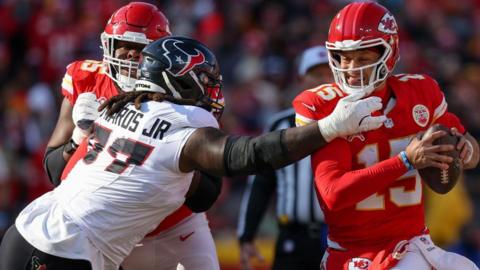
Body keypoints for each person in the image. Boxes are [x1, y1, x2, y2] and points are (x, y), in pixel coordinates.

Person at [0, 35, 389, 270]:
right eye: (205, 81)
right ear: (178, 80)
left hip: (32, 230)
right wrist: (328, 128)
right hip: (65, 250)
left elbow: (204, 193)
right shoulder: (180, 127)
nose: (213, 91)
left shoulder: (124, 106)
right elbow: (250, 155)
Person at [292, 2, 480, 269]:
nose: (351, 68)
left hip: (415, 243)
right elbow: (332, 193)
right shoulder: (324, 105)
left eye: (363, 58)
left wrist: (466, 149)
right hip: (359, 253)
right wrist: (405, 160)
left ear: (389, 53)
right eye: (343, 57)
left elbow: (469, 147)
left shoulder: (420, 92)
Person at [40, 2, 221, 270]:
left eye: (140, 50)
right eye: (122, 46)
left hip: (176, 224)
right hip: (113, 232)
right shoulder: (86, 79)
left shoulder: (184, 88)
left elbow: (206, 192)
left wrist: (168, 159)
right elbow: (55, 172)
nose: (128, 57)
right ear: (108, 45)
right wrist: (79, 137)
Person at [237, 46, 332, 270]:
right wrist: (247, 233)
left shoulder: (355, 122)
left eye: (330, 74)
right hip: (293, 238)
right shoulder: (280, 125)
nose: (324, 81)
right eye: (317, 74)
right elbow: (261, 183)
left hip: (341, 235)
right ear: (301, 79)